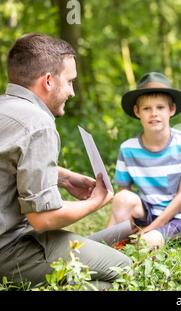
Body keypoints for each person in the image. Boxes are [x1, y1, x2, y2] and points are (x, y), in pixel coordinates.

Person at [0, 33, 131, 289]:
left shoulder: (6, 108)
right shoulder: (38, 123)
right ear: (48, 81)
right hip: (9, 249)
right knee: (121, 270)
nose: (72, 91)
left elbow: (9, 164)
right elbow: (43, 219)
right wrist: (96, 202)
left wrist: (63, 176)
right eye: (70, 81)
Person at [107, 72, 181, 249]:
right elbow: (123, 198)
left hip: (179, 214)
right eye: (146, 109)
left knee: (147, 243)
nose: (154, 114)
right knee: (121, 198)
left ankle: (140, 240)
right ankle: (113, 243)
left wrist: (150, 229)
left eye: (160, 107)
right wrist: (112, 232)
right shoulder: (128, 149)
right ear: (137, 111)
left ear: (171, 110)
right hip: (148, 209)